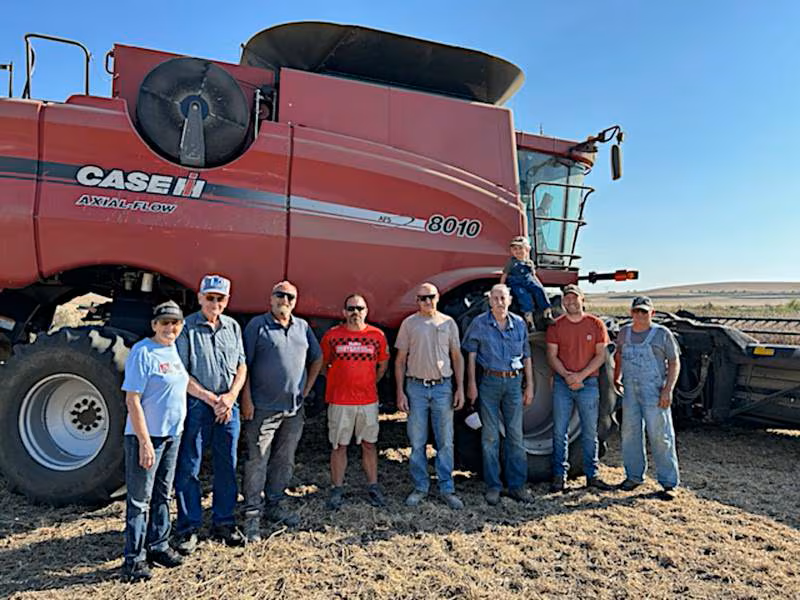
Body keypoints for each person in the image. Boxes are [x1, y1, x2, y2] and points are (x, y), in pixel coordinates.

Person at [241, 281, 323, 541]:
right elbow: (243, 365)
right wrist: (246, 400)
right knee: (257, 460)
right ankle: (252, 513)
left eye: (290, 296)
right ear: (271, 298)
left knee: (284, 460)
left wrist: (307, 388)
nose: (285, 300)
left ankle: (275, 504)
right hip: (263, 408)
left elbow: (317, 358)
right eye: (280, 294)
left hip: (293, 410)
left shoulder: (302, 327)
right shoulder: (257, 326)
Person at [173, 275, 247, 553]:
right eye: (210, 297)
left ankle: (224, 522)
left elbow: (241, 366)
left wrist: (229, 398)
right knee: (189, 466)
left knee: (227, 464)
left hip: (228, 406)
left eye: (220, 298)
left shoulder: (233, 327)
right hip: (198, 405)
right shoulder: (187, 328)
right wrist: (211, 398)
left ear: (227, 301)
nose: (215, 303)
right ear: (200, 297)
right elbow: (182, 372)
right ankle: (188, 527)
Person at [120, 300, 189, 583]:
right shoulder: (142, 352)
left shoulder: (173, 350)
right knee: (140, 500)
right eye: (164, 323)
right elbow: (132, 399)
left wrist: (210, 397)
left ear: (181, 326)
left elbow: (183, 383)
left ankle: (159, 546)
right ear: (154, 325)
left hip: (173, 434)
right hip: (148, 437)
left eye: (174, 323)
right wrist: (145, 442)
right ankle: (133, 561)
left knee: (163, 494)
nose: (169, 328)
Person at [395, 282, 465, 510]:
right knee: (417, 442)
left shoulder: (448, 323)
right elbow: (400, 361)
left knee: (445, 441)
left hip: (442, 387)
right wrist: (400, 391)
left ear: (438, 297)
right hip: (416, 388)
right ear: (417, 301)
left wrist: (460, 388)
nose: (428, 301)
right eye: (423, 298)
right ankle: (420, 487)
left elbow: (457, 357)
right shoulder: (409, 324)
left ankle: (447, 488)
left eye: (431, 297)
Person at [463, 284, 535, 505]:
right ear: (489, 301)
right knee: (490, 437)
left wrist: (530, 385)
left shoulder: (520, 324)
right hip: (489, 382)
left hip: (514, 382)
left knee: (515, 435)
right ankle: (493, 486)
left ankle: (517, 486)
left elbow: (527, 357)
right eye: (495, 298)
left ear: (510, 300)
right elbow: (471, 356)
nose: (499, 302)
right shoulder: (479, 323)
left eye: (503, 297)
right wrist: (471, 385)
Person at [320, 293, 390, 510]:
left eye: (359, 309)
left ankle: (373, 485)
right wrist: (336, 381)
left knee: (369, 445)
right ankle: (337, 488)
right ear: (343, 312)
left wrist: (368, 383)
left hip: (367, 400)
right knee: (339, 445)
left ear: (366, 312)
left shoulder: (377, 335)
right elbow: (322, 365)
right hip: (340, 401)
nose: (355, 313)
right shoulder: (332, 336)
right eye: (351, 308)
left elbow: (382, 365)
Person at [545, 284, 613, 492]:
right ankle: (560, 476)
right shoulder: (556, 326)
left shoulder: (595, 324)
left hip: (588, 384)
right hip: (563, 384)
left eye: (574, 298)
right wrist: (567, 376)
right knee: (560, 431)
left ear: (582, 300)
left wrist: (580, 376)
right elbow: (551, 355)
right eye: (566, 299)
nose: (570, 302)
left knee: (589, 431)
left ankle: (592, 475)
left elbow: (601, 355)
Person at [614, 296, 681, 500]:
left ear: (652, 313)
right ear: (631, 312)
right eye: (637, 311)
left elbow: (674, 362)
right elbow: (618, 355)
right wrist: (616, 377)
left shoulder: (661, 334)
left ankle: (669, 483)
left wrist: (668, 390)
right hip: (631, 392)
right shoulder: (624, 332)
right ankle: (633, 476)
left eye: (645, 312)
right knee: (630, 433)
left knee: (660, 435)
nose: (640, 315)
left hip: (654, 391)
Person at [500, 236, 555, 331]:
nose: (518, 251)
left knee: (540, 291)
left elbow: (533, 276)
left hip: (529, 281)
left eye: (521, 248)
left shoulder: (529, 263)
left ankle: (547, 314)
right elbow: (505, 275)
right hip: (517, 284)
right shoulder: (511, 263)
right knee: (525, 297)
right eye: (515, 249)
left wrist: (540, 285)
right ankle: (530, 322)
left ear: (527, 250)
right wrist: (501, 287)